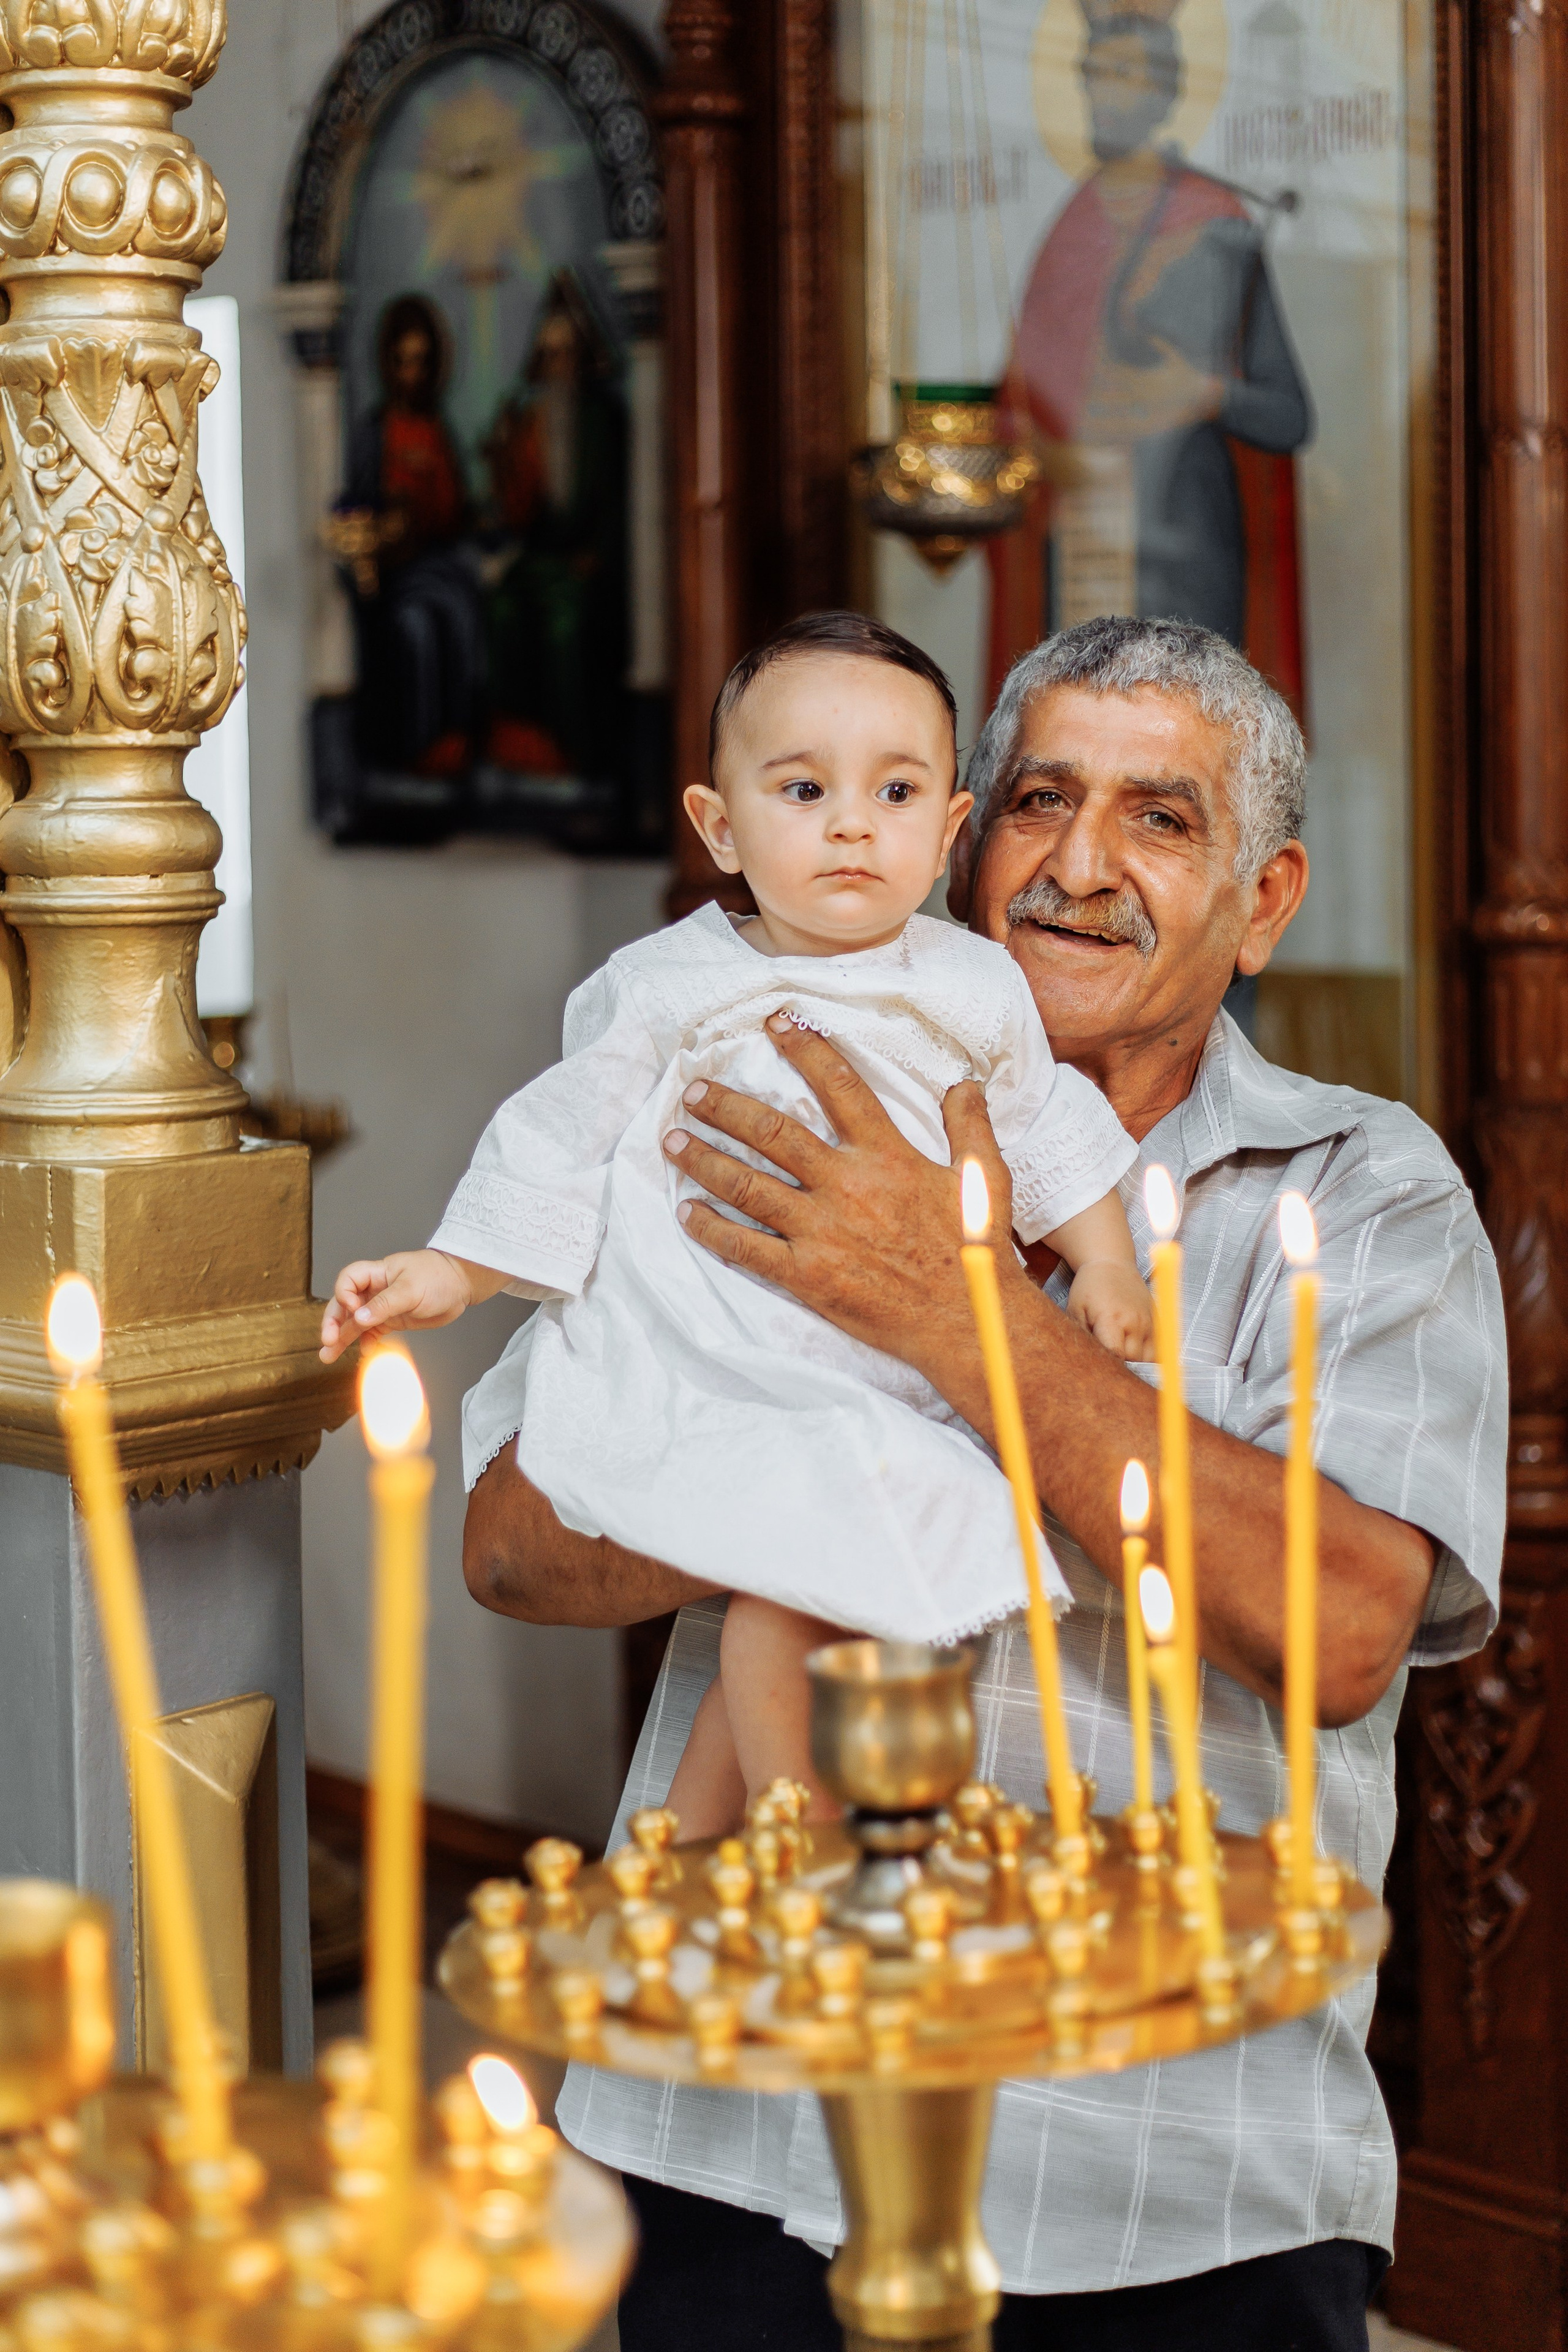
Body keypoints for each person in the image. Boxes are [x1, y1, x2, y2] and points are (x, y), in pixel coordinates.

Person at [461, 615, 1507, 2351]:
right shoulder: (752, 1081)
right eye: (1040, 801)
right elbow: (508, 1539)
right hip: (733, 2111)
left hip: (1156, 2162)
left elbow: (1338, 1636)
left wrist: (958, 1322)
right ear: (962, 839)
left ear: (1263, 902)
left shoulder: (1360, 1189)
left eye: (1163, 820)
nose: (1081, 866)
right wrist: (761, 1408)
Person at [320, 611, 1152, 1829]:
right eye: (804, 788)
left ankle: (698, 1851)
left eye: (896, 790)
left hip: (879, 1368)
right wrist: (454, 1270)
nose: (852, 824)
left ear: (946, 837)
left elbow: (1040, 1125)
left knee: (818, 1602)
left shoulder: (971, 984)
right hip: (708, 1350)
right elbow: (563, 1132)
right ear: (719, 826)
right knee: (789, 1595)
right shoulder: (668, 984)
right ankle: (806, 1857)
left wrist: (1109, 1267)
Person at [987, 3, 1311, 715]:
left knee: (1185, 741)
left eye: (1123, 76)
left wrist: (1202, 394)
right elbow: (1027, 395)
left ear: (1164, 89)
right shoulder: (1066, 232)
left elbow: (1288, 415)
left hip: (1185, 539)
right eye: (1091, 76)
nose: (1102, 95)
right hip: (1080, 528)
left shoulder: (1216, 223)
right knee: (1072, 733)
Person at [341, 291, 485, 780]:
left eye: (422, 362)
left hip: (438, 561)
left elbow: (455, 505)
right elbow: (357, 506)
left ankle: (460, 738)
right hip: (395, 572)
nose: (413, 375)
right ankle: (419, 748)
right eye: (403, 363)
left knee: (465, 609)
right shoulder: (376, 431)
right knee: (418, 626)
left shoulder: (435, 429)